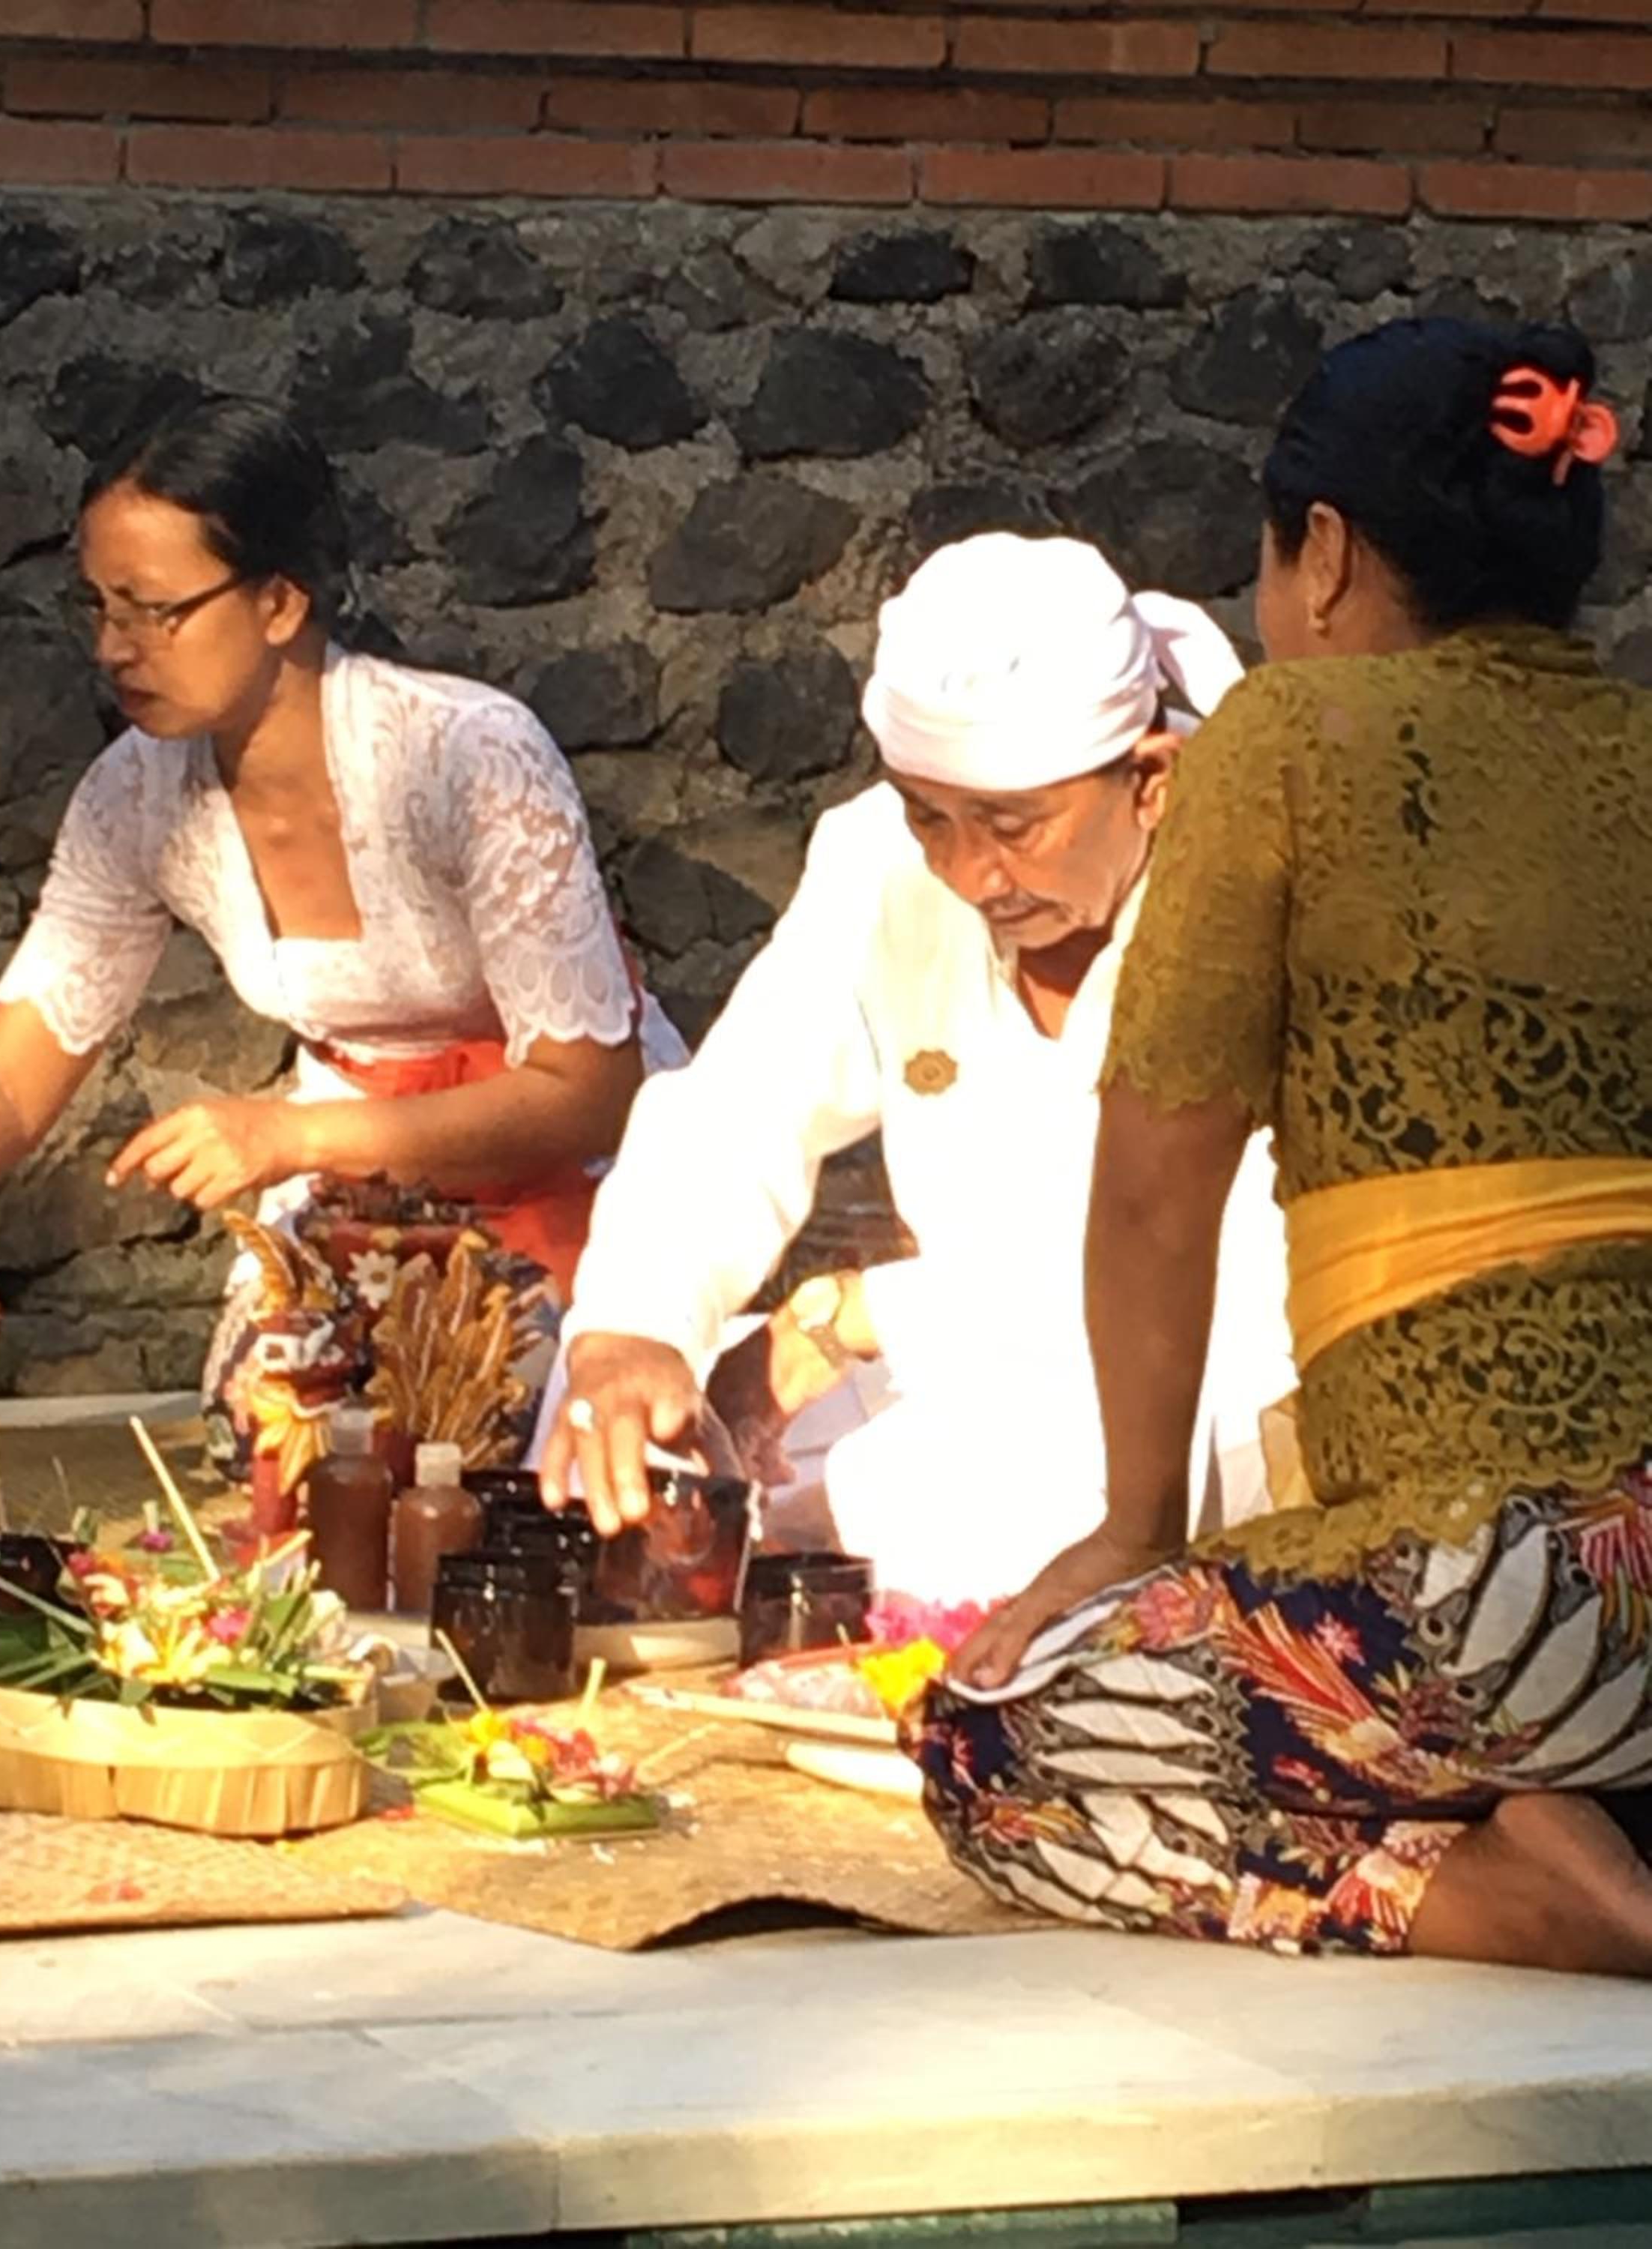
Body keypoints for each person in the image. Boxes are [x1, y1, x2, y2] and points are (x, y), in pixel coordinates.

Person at [916, 317, 1652, 1976]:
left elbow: (1155, 1186)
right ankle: (1568, 1813)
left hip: (1506, 1590)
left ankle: (1507, 1899)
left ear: (1324, 554)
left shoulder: (1289, 743)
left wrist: (1132, 1527)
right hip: (1614, 1615)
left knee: (993, 1753)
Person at [540, 536, 1294, 1602]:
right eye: (929, 816)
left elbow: (1219, 1276)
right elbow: (736, 1110)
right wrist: (635, 1327)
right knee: (616, 1420)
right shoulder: (884, 867)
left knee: (958, 1501)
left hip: (1179, 1387)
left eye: (1014, 827)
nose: (971, 873)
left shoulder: (1259, 887)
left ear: (1150, 783)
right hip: (955, 1365)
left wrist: (854, 1317)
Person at [0, 394, 679, 1350]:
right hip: (357, 1179)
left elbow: (589, 1092)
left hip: (570, 1173)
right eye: (98, 606)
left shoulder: (467, 755)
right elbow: (10, 1078)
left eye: (154, 611)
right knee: (275, 1409)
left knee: (510, 1413)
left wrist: (291, 1136)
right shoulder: (133, 796)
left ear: (279, 602)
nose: (112, 648)